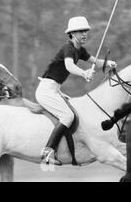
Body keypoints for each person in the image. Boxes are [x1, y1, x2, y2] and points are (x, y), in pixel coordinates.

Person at [36, 16, 117, 165]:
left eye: (85, 31)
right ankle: (48, 151)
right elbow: (69, 66)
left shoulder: (80, 50)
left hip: (55, 89)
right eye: (80, 32)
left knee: (76, 113)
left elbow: (96, 62)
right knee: (68, 117)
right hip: (46, 90)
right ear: (72, 34)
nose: (84, 34)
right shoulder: (68, 49)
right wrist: (84, 73)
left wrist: (108, 63)